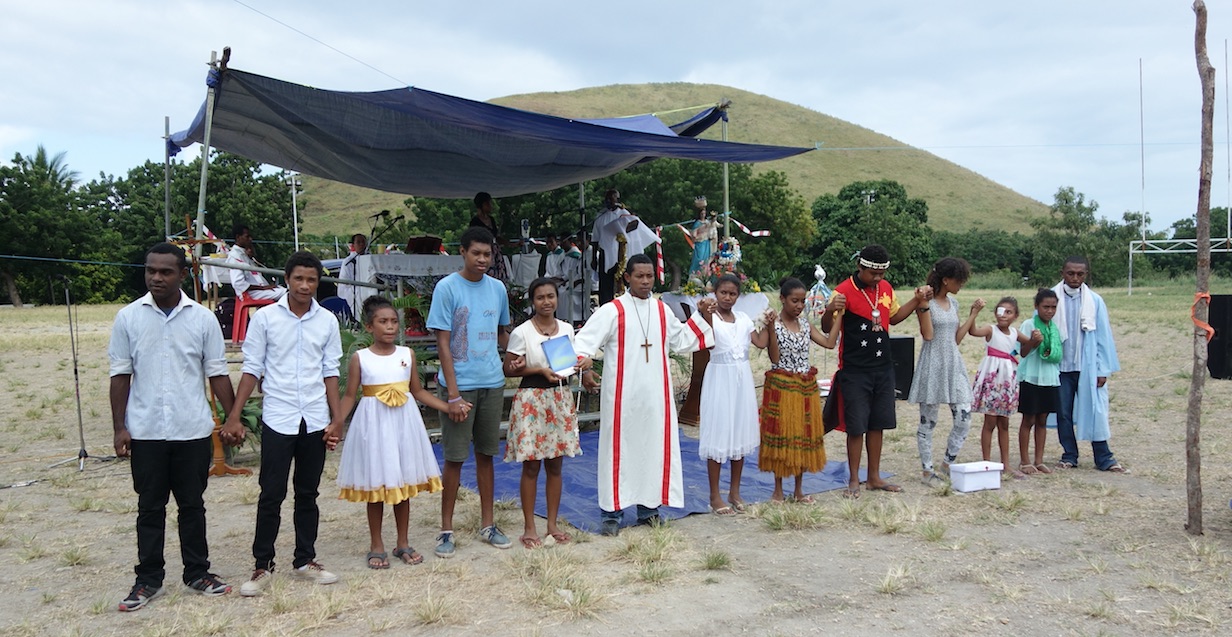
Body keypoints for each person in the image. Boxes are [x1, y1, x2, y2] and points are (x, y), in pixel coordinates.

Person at [109, 243, 237, 611]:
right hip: (146, 431)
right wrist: (120, 428)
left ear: (183, 275)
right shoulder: (128, 318)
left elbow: (217, 373)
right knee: (150, 508)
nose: (156, 277)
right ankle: (148, 580)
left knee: (192, 506)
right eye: (151, 270)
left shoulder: (202, 319)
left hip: (191, 431)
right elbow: (120, 376)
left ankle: (198, 573)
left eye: (166, 272)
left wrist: (232, 420)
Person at [222, 251, 343, 596]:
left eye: (312, 280)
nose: (305, 286)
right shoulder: (266, 319)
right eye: (298, 279)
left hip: (315, 419)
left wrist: (336, 421)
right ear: (286, 280)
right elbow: (252, 369)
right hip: (278, 416)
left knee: (308, 492)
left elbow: (330, 373)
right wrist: (234, 414)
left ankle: (305, 560)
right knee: (271, 493)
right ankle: (263, 565)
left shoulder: (326, 322)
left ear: (318, 282)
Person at [574, 253, 715, 536]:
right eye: (640, 276)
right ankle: (611, 512)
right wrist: (584, 366)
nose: (646, 281)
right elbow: (584, 342)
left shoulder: (661, 310)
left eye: (650, 276)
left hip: (655, 398)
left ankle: (649, 509)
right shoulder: (612, 310)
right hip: (621, 399)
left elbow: (683, 339)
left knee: (652, 450)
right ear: (627, 277)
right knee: (618, 451)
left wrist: (702, 315)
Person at [331, 295, 448, 569]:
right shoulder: (360, 358)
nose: (390, 326)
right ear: (369, 326)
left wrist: (447, 407)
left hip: (403, 426)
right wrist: (337, 422)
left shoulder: (407, 355)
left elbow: (417, 391)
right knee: (376, 485)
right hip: (373, 426)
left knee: (403, 482)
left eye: (394, 321)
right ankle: (376, 543)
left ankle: (403, 542)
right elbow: (350, 395)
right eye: (383, 321)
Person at [427, 226, 511, 557]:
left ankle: (488, 524)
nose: (482, 260)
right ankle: (446, 530)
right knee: (454, 459)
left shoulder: (498, 289)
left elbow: (502, 335)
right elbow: (443, 343)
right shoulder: (447, 288)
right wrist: (452, 395)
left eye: (487, 254)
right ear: (462, 252)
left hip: (492, 383)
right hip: (458, 387)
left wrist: (528, 353)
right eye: (475, 253)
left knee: (487, 456)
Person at [821, 244, 930, 498]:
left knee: (877, 423)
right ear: (860, 267)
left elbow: (893, 318)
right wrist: (829, 308)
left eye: (881, 274)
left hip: (882, 367)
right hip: (854, 369)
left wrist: (916, 300)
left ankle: (874, 477)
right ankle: (853, 481)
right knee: (856, 426)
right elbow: (828, 327)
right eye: (872, 273)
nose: (878, 278)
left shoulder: (887, 288)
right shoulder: (842, 291)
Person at [502, 277, 581, 548]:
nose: (546, 302)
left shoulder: (568, 330)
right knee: (532, 465)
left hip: (559, 399)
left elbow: (574, 361)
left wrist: (586, 365)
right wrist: (535, 369)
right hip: (532, 401)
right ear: (532, 301)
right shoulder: (522, 332)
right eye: (540, 297)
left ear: (557, 298)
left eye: (550, 296)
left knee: (556, 465)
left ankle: (552, 525)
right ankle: (529, 527)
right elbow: (508, 368)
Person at [759, 277, 842, 503]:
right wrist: (771, 329)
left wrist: (839, 316)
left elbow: (829, 343)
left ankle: (798, 490)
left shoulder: (805, 325)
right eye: (794, 301)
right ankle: (777, 489)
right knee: (781, 436)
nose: (799, 305)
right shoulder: (773, 325)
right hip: (782, 387)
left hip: (805, 386)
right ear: (782, 299)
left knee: (803, 437)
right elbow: (774, 357)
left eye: (802, 301)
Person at [700, 274, 773, 514]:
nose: (727, 298)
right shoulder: (711, 318)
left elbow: (761, 343)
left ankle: (735, 491)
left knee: (739, 433)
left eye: (732, 294)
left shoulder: (743, 319)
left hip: (741, 381)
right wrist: (706, 314)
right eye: (723, 293)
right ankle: (714, 495)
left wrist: (770, 324)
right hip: (720, 379)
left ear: (738, 296)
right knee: (719, 433)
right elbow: (708, 341)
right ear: (715, 294)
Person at [908, 257, 981, 486]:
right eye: (958, 281)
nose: (961, 286)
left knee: (964, 418)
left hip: (953, 363)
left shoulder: (955, 304)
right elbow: (928, 335)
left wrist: (973, 315)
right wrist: (923, 304)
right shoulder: (926, 304)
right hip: (932, 363)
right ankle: (927, 471)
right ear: (946, 280)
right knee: (928, 421)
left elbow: (956, 338)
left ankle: (947, 464)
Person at [1052, 256, 1126, 472]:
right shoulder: (1051, 297)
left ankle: (1104, 457)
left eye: (1080, 274)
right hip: (1060, 368)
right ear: (1062, 273)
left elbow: (1103, 336)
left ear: (1086, 275)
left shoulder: (1094, 301)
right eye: (1070, 273)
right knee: (1063, 412)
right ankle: (1069, 455)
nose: (1075, 278)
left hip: (1088, 367)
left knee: (1095, 410)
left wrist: (1102, 369)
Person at [969, 297, 1037, 479]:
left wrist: (1035, 340)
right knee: (989, 422)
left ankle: (1005, 464)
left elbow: (1027, 346)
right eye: (1000, 311)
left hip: (1007, 379)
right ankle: (987, 462)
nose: (1003, 315)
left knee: (1004, 423)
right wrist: (973, 313)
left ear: (1015, 316)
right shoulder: (991, 330)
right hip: (993, 380)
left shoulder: (1015, 333)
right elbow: (974, 331)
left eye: (1008, 312)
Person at [1017, 288, 1061, 476]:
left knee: (1042, 419)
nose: (1049, 311)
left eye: (1053, 307)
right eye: (1045, 307)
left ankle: (1039, 460)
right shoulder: (1029, 325)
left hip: (1050, 378)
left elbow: (1058, 352)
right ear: (1036, 306)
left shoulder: (1054, 328)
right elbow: (1023, 352)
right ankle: (1025, 460)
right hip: (1031, 377)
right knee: (1029, 419)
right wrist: (1034, 342)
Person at [591, 189, 658, 304]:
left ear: (617, 199)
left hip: (623, 253)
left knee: (624, 280)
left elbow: (634, 227)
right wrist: (593, 258)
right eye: (607, 199)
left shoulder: (625, 214)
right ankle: (606, 306)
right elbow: (595, 240)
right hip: (606, 254)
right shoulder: (600, 218)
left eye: (612, 198)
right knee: (606, 284)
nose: (610, 201)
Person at [227, 224, 286, 301]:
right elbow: (238, 283)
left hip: (258, 289)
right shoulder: (234, 256)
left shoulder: (244, 254)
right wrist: (263, 288)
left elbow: (255, 272)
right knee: (286, 294)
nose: (250, 239)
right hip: (249, 292)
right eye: (247, 237)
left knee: (283, 289)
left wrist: (251, 256)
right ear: (238, 237)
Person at [469, 192, 510, 283]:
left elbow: (496, 237)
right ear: (482, 204)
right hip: (484, 252)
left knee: (499, 275)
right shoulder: (475, 222)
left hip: (495, 251)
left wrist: (510, 244)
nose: (491, 206)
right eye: (489, 203)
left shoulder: (491, 219)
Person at [336, 232, 368, 316]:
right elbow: (346, 281)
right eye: (358, 242)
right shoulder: (348, 261)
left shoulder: (369, 258)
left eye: (363, 242)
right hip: (352, 289)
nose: (361, 244)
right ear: (353, 245)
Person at [689, 196, 718, 277]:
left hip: (706, 242)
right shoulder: (697, 223)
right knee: (699, 259)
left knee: (706, 260)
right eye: (702, 214)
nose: (703, 215)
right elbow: (694, 234)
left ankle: (704, 274)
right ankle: (695, 274)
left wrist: (713, 218)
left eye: (704, 214)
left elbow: (713, 226)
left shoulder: (707, 222)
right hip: (700, 243)